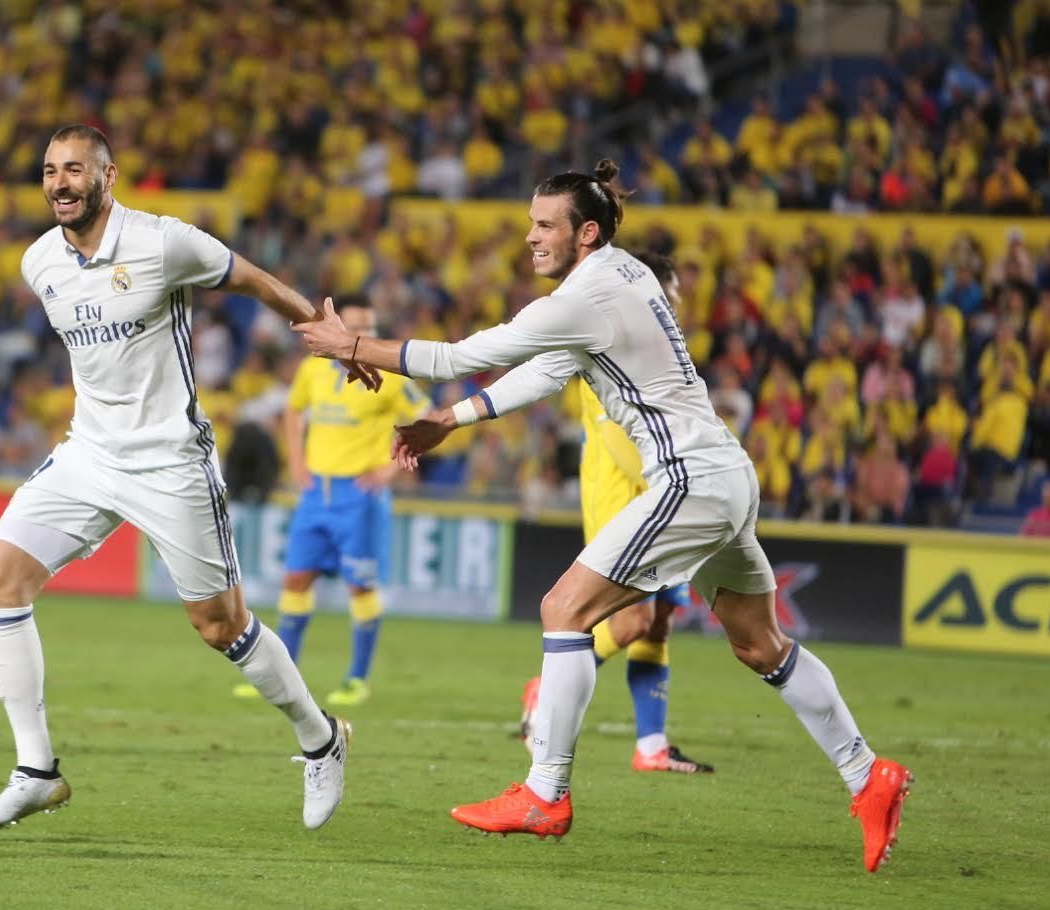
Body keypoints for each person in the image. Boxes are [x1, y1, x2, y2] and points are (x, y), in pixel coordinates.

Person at [295, 159, 913, 872]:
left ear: (585, 232)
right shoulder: (625, 275)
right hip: (724, 472)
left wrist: (349, 345)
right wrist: (451, 421)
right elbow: (548, 370)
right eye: (530, 222)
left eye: (543, 225)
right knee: (758, 642)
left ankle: (544, 791)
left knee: (563, 608)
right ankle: (868, 776)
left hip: (687, 478)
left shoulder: (581, 295)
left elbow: (462, 353)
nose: (528, 237)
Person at [0, 125, 377, 834]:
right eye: (48, 171)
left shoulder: (163, 242)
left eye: (74, 170)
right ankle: (36, 770)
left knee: (221, 625)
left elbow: (252, 280)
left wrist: (327, 334)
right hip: (88, 455)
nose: (59, 183)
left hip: (170, 461)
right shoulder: (40, 262)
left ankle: (321, 738)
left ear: (108, 176)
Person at [519, 252, 713, 775]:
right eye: (666, 293)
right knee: (631, 621)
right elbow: (621, 437)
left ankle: (651, 743)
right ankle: (546, 687)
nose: (672, 303)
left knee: (660, 622)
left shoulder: (658, 349)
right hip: (623, 499)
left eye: (672, 296)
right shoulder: (612, 346)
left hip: (660, 494)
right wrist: (681, 481)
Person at [233, 295, 427, 707]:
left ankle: (357, 678)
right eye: (357, 325)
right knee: (295, 581)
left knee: (361, 587)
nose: (365, 334)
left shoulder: (392, 375)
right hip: (315, 493)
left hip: (360, 495)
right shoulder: (313, 369)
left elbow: (427, 422)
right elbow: (293, 411)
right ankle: (280, 678)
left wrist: (390, 470)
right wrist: (297, 461)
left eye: (371, 327)